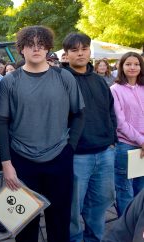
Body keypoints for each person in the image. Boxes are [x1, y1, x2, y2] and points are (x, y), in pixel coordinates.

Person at [0, 25, 85, 242]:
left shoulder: (64, 77)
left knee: (59, 222)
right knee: (25, 225)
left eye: (41, 45)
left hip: (59, 158)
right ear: (21, 49)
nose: (36, 49)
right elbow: (1, 122)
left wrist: (70, 147)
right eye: (30, 45)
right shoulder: (10, 81)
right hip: (21, 161)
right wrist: (7, 163)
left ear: (48, 48)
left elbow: (79, 114)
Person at [61, 33, 117, 242]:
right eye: (74, 50)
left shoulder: (100, 81)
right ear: (66, 54)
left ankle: (94, 239)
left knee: (101, 203)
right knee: (73, 208)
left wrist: (112, 140)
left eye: (84, 48)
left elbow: (110, 111)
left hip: (104, 153)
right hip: (77, 155)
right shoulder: (62, 80)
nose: (80, 53)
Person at [110, 52, 144, 217]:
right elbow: (121, 123)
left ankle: (139, 226)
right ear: (121, 66)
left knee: (141, 188)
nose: (133, 67)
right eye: (128, 64)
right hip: (126, 146)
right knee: (125, 190)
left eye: (136, 64)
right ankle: (126, 228)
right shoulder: (115, 90)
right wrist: (141, 140)